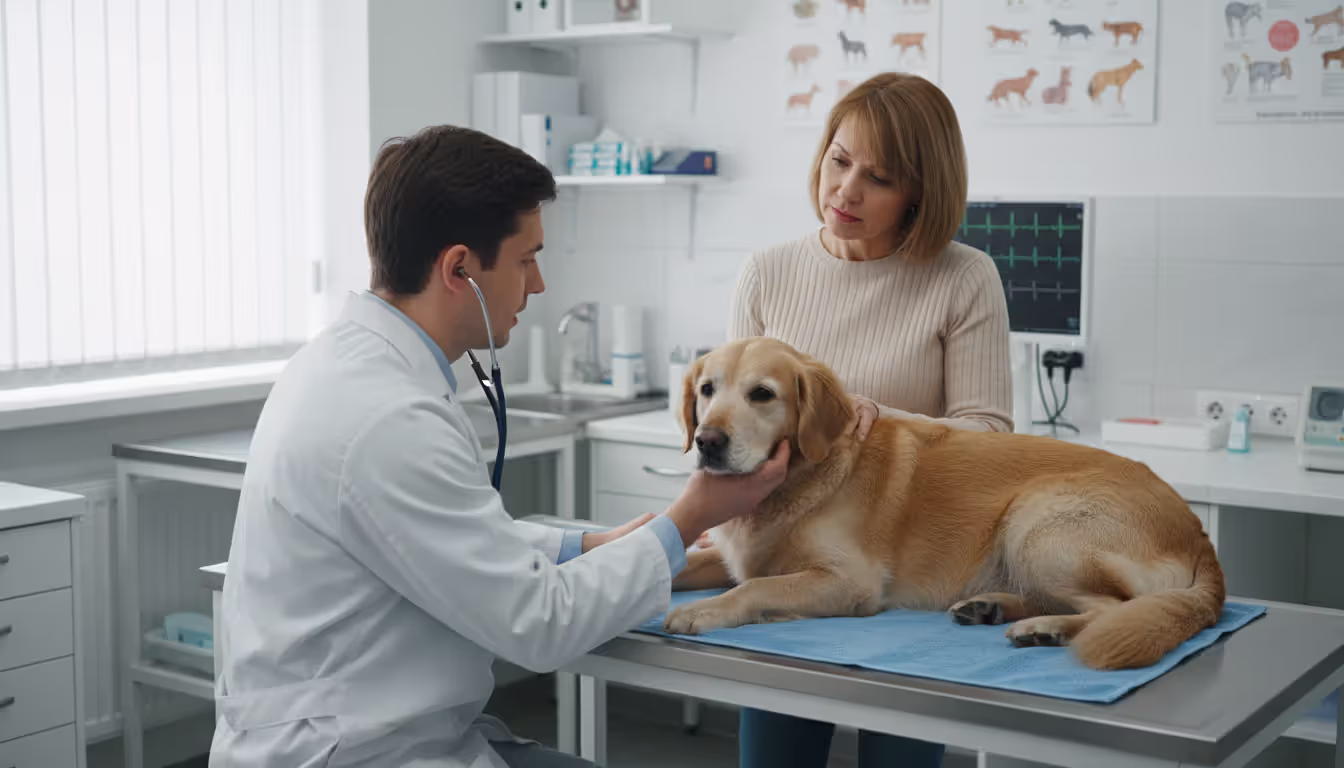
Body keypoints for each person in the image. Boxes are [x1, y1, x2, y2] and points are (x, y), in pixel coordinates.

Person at [209, 125, 790, 768]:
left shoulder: (353, 366)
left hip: (388, 731)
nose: (538, 284)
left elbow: (447, 538)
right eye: (526, 259)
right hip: (353, 752)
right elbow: (540, 624)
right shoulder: (386, 418)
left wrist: (587, 545)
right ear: (459, 268)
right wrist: (692, 516)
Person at [728, 72, 1012, 768]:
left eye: (879, 177)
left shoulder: (964, 277)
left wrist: (882, 421)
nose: (846, 190)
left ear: (921, 190)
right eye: (839, 159)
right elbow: (737, 427)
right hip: (788, 572)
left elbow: (992, 435)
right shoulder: (768, 272)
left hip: (906, 584)